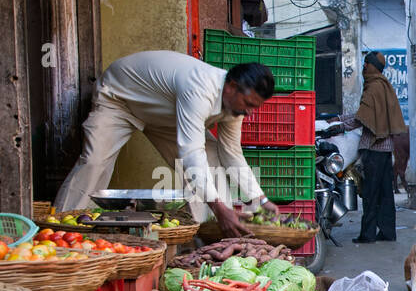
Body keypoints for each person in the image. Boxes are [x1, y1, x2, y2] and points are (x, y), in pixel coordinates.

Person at [54, 51, 278, 237]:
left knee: (212, 159)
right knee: (94, 162)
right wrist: (218, 205)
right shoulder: (200, 87)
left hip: (165, 115)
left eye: (254, 107)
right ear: (231, 86)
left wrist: (260, 199)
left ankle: (213, 237)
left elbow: (232, 154)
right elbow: (190, 153)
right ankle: (60, 228)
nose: (249, 112)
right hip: (120, 99)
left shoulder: (235, 109)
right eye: (248, 103)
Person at [342, 51, 408, 243]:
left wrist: (338, 125)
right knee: (385, 193)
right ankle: (387, 232)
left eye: (365, 64)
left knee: (370, 193)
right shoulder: (384, 85)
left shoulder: (373, 87)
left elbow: (361, 118)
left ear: (371, 66)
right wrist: (340, 119)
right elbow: (363, 114)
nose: (363, 68)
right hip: (386, 149)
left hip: (374, 149)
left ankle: (368, 234)